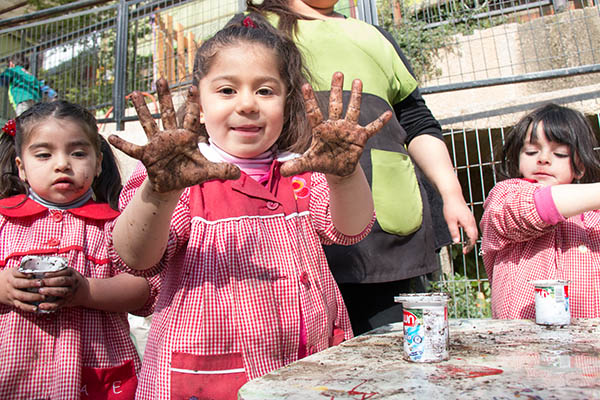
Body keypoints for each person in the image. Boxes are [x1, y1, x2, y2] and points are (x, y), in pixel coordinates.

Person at [106, 14, 391, 399]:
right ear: (199, 104)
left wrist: (344, 174)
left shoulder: (299, 170)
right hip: (210, 380)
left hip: (310, 369)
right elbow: (135, 258)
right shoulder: (175, 177)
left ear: (286, 103)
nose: (247, 104)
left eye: (265, 91)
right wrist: (160, 193)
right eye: (227, 90)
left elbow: (350, 229)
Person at [245, 0, 479, 334]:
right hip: (292, 241)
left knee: (393, 355)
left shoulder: (375, 37)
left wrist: (451, 193)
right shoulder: (253, 28)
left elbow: (417, 122)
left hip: (386, 241)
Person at [0, 101, 157, 399]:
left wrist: (86, 291)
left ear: (98, 164)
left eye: (78, 153)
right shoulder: (4, 219)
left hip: (95, 372)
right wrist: (4, 287)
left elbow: (142, 291)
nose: (62, 164)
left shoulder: (116, 225)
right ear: (21, 167)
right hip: (13, 374)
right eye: (44, 155)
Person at [480, 103, 600, 319]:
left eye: (560, 153)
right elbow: (533, 209)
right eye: (531, 151)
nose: (543, 158)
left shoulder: (595, 218)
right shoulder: (506, 195)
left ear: (580, 167)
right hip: (523, 337)